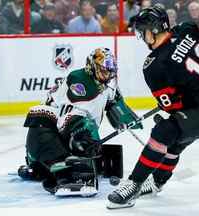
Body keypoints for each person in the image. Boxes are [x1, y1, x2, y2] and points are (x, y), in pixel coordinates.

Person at [107, 5, 199, 209]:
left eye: (143, 31)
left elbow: (174, 105)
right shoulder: (186, 30)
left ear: (153, 29)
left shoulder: (154, 65)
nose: (142, 36)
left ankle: (133, 184)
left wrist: (173, 114)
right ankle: (157, 181)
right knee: (175, 139)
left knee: (165, 131)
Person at [18, 47, 142, 197]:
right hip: (53, 136)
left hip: (74, 140)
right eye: (104, 71)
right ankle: (53, 166)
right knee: (39, 114)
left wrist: (126, 117)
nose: (108, 75)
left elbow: (115, 103)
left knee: (83, 128)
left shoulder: (108, 84)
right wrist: (88, 140)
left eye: (110, 71)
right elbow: (68, 118)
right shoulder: (78, 79)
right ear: (92, 67)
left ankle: (71, 165)